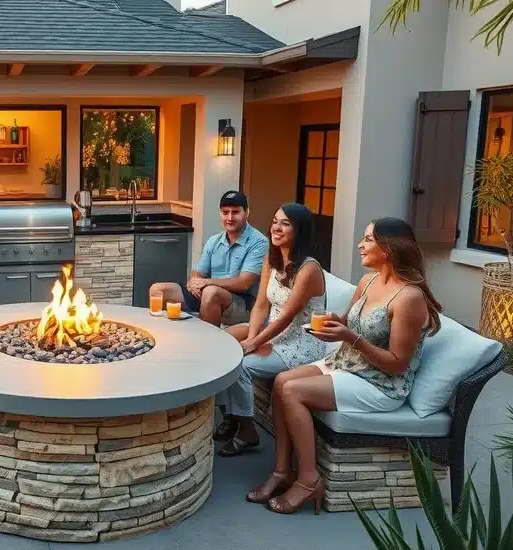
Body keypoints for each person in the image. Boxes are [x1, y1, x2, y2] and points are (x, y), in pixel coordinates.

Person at [247, 217, 442, 515]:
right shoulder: (369, 281)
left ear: (388, 248)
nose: (360, 245)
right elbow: (349, 321)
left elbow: (397, 365)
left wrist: (350, 337)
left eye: (368, 239)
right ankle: (282, 470)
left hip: (381, 383)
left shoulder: (409, 297)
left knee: (293, 391)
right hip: (348, 364)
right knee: (281, 381)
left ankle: (309, 480)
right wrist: (333, 323)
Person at [215, 204, 327, 457]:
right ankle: (231, 416)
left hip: (301, 342)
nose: (276, 227)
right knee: (221, 347)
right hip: (273, 331)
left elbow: (287, 317)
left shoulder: (309, 269)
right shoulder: (272, 258)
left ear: (300, 230)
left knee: (241, 365)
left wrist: (254, 343)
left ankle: (247, 431)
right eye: (275, 221)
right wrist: (252, 337)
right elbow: (261, 305)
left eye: (285, 223)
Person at [150, 190, 268, 327]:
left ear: (247, 213)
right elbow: (198, 272)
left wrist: (206, 282)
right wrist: (195, 282)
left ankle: (207, 338)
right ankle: (172, 335)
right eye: (225, 212)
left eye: (235, 212)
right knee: (158, 290)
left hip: (242, 304)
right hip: (208, 294)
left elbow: (243, 283)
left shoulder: (259, 242)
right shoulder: (214, 240)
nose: (230, 217)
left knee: (210, 292)